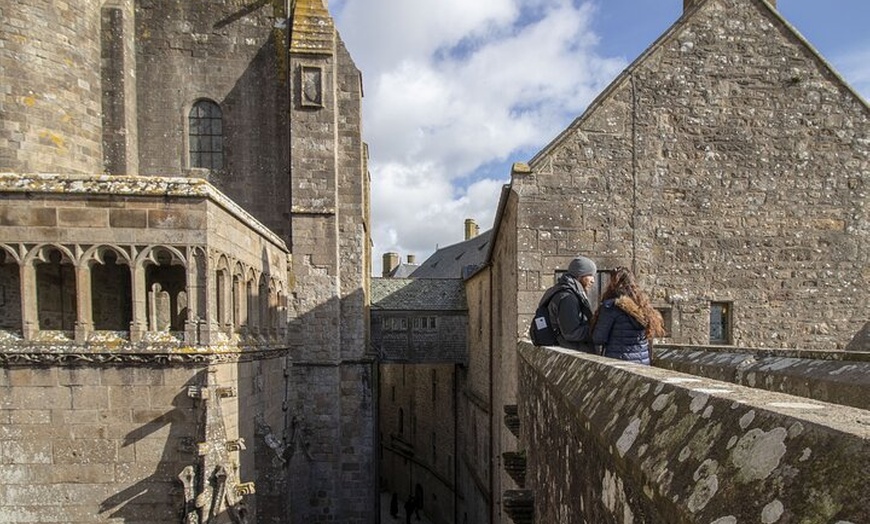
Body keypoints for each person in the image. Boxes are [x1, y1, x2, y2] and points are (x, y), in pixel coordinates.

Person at [591, 267, 665, 364]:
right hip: (642, 364)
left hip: (618, 363)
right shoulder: (643, 305)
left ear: (613, 283)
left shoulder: (611, 307)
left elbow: (599, 338)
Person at [534, 255, 597, 352]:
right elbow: (571, 333)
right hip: (570, 350)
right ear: (579, 275)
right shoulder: (567, 298)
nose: (593, 280)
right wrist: (596, 329)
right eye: (589, 275)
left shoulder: (563, 291)